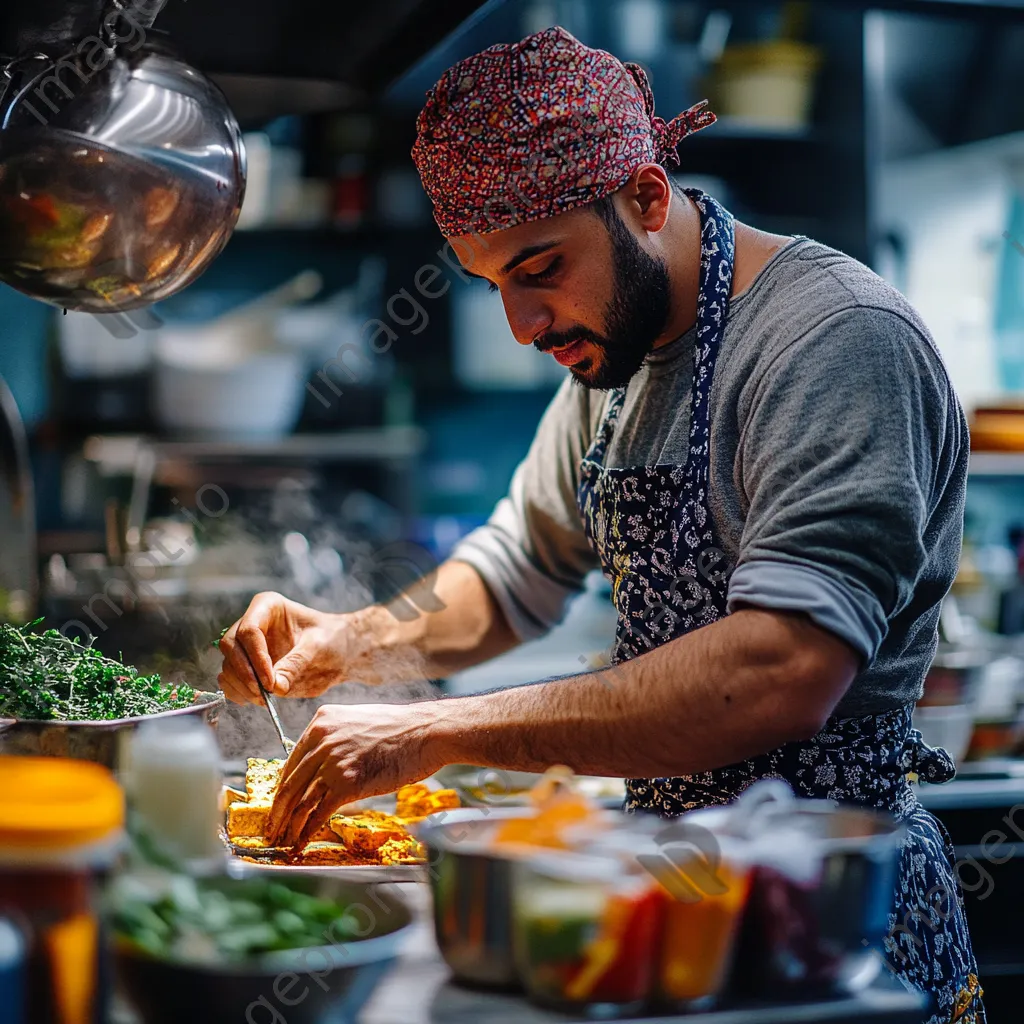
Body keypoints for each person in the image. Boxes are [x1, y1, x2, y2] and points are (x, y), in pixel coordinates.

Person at [218, 27, 982, 1022]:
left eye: (539, 267)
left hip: (826, 925)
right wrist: (346, 641)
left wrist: (435, 732)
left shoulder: (831, 342)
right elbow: (510, 571)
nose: (522, 325)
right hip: (669, 895)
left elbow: (780, 670)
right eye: (495, 284)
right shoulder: (613, 362)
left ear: (646, 197)